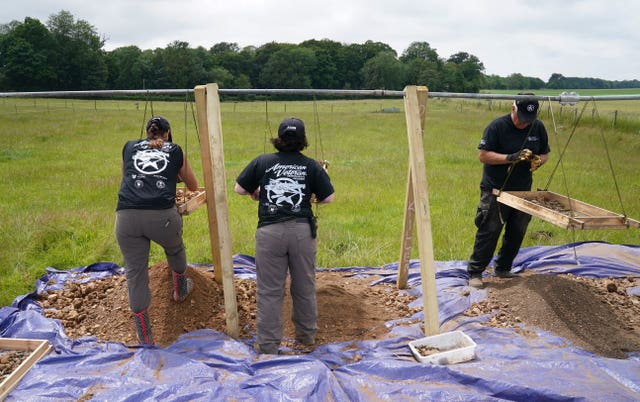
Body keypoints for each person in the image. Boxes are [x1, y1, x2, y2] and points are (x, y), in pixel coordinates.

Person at [234, 117, 335, 354]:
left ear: (279, 140)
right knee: (304, 285)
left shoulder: (263, 161)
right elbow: (329, 197)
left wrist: (259, 190)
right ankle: (307, 336)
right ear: (302, 141)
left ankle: (268, 345)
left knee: (269, 290)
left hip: (269, 232)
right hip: (302, 231)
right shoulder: (311, 166)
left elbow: (239, 189)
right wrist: (311, 195)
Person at [115, 116, 199, 344]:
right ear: (168, 133)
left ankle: (145, 335)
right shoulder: (176, 149)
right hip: (162, 216)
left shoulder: (129, 146)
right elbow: (192, 185)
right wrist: (174, 175)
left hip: (126, 216)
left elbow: (128, 177)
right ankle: (180, 288)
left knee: (135, 272)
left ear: (146, 132)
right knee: (174, 249)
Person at [467, 94, 550, 289]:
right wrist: (510, 157)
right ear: (513, 109)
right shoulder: (497, 127)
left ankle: (503, 268)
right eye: (521, 118)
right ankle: (475, 272)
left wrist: (538, 160)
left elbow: (545, 153)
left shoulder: (537, 127)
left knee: (518, 230)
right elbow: (483, 155)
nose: (524, 124)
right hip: (496, 189)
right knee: (490, 229)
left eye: (528, 120)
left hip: (523, 190)